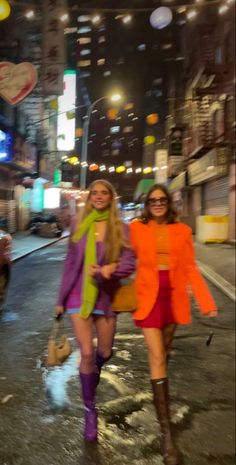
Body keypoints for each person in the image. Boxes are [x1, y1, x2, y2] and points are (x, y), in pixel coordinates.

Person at [129, 184, 217, 465]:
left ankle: (158, 385)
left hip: (174, 295)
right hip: (148, 297)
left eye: (162, 199)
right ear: (147, 204)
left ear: (168, 202)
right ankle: (167, 436)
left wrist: (206, 301)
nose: (157, 204)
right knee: (157, 355)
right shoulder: (136, 228)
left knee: (163, 354)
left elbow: (190, 266)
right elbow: (123, 256)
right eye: (152, 200)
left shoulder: (181, 230)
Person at [55, 179, 135, 442]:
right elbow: (70, 264)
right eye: (95, 193)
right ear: (89, 199)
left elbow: (129, 262)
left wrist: (111, 270)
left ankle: (92, 372)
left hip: (106, 296)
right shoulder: (79, 225)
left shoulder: (121, 229)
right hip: (79, 295)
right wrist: (61, 298)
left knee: (105, 352)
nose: (99, 197)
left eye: (104, 193)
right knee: (87, 353)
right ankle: (91, 411)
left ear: (111, 198)